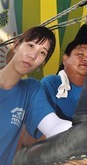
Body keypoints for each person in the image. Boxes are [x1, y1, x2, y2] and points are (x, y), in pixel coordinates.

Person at [0, 26, 72, 165]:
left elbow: (54, 126)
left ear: (42, 64)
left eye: (42, 53)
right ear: (16, 46)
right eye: (31, 45)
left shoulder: (31, 89)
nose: (33, 56)